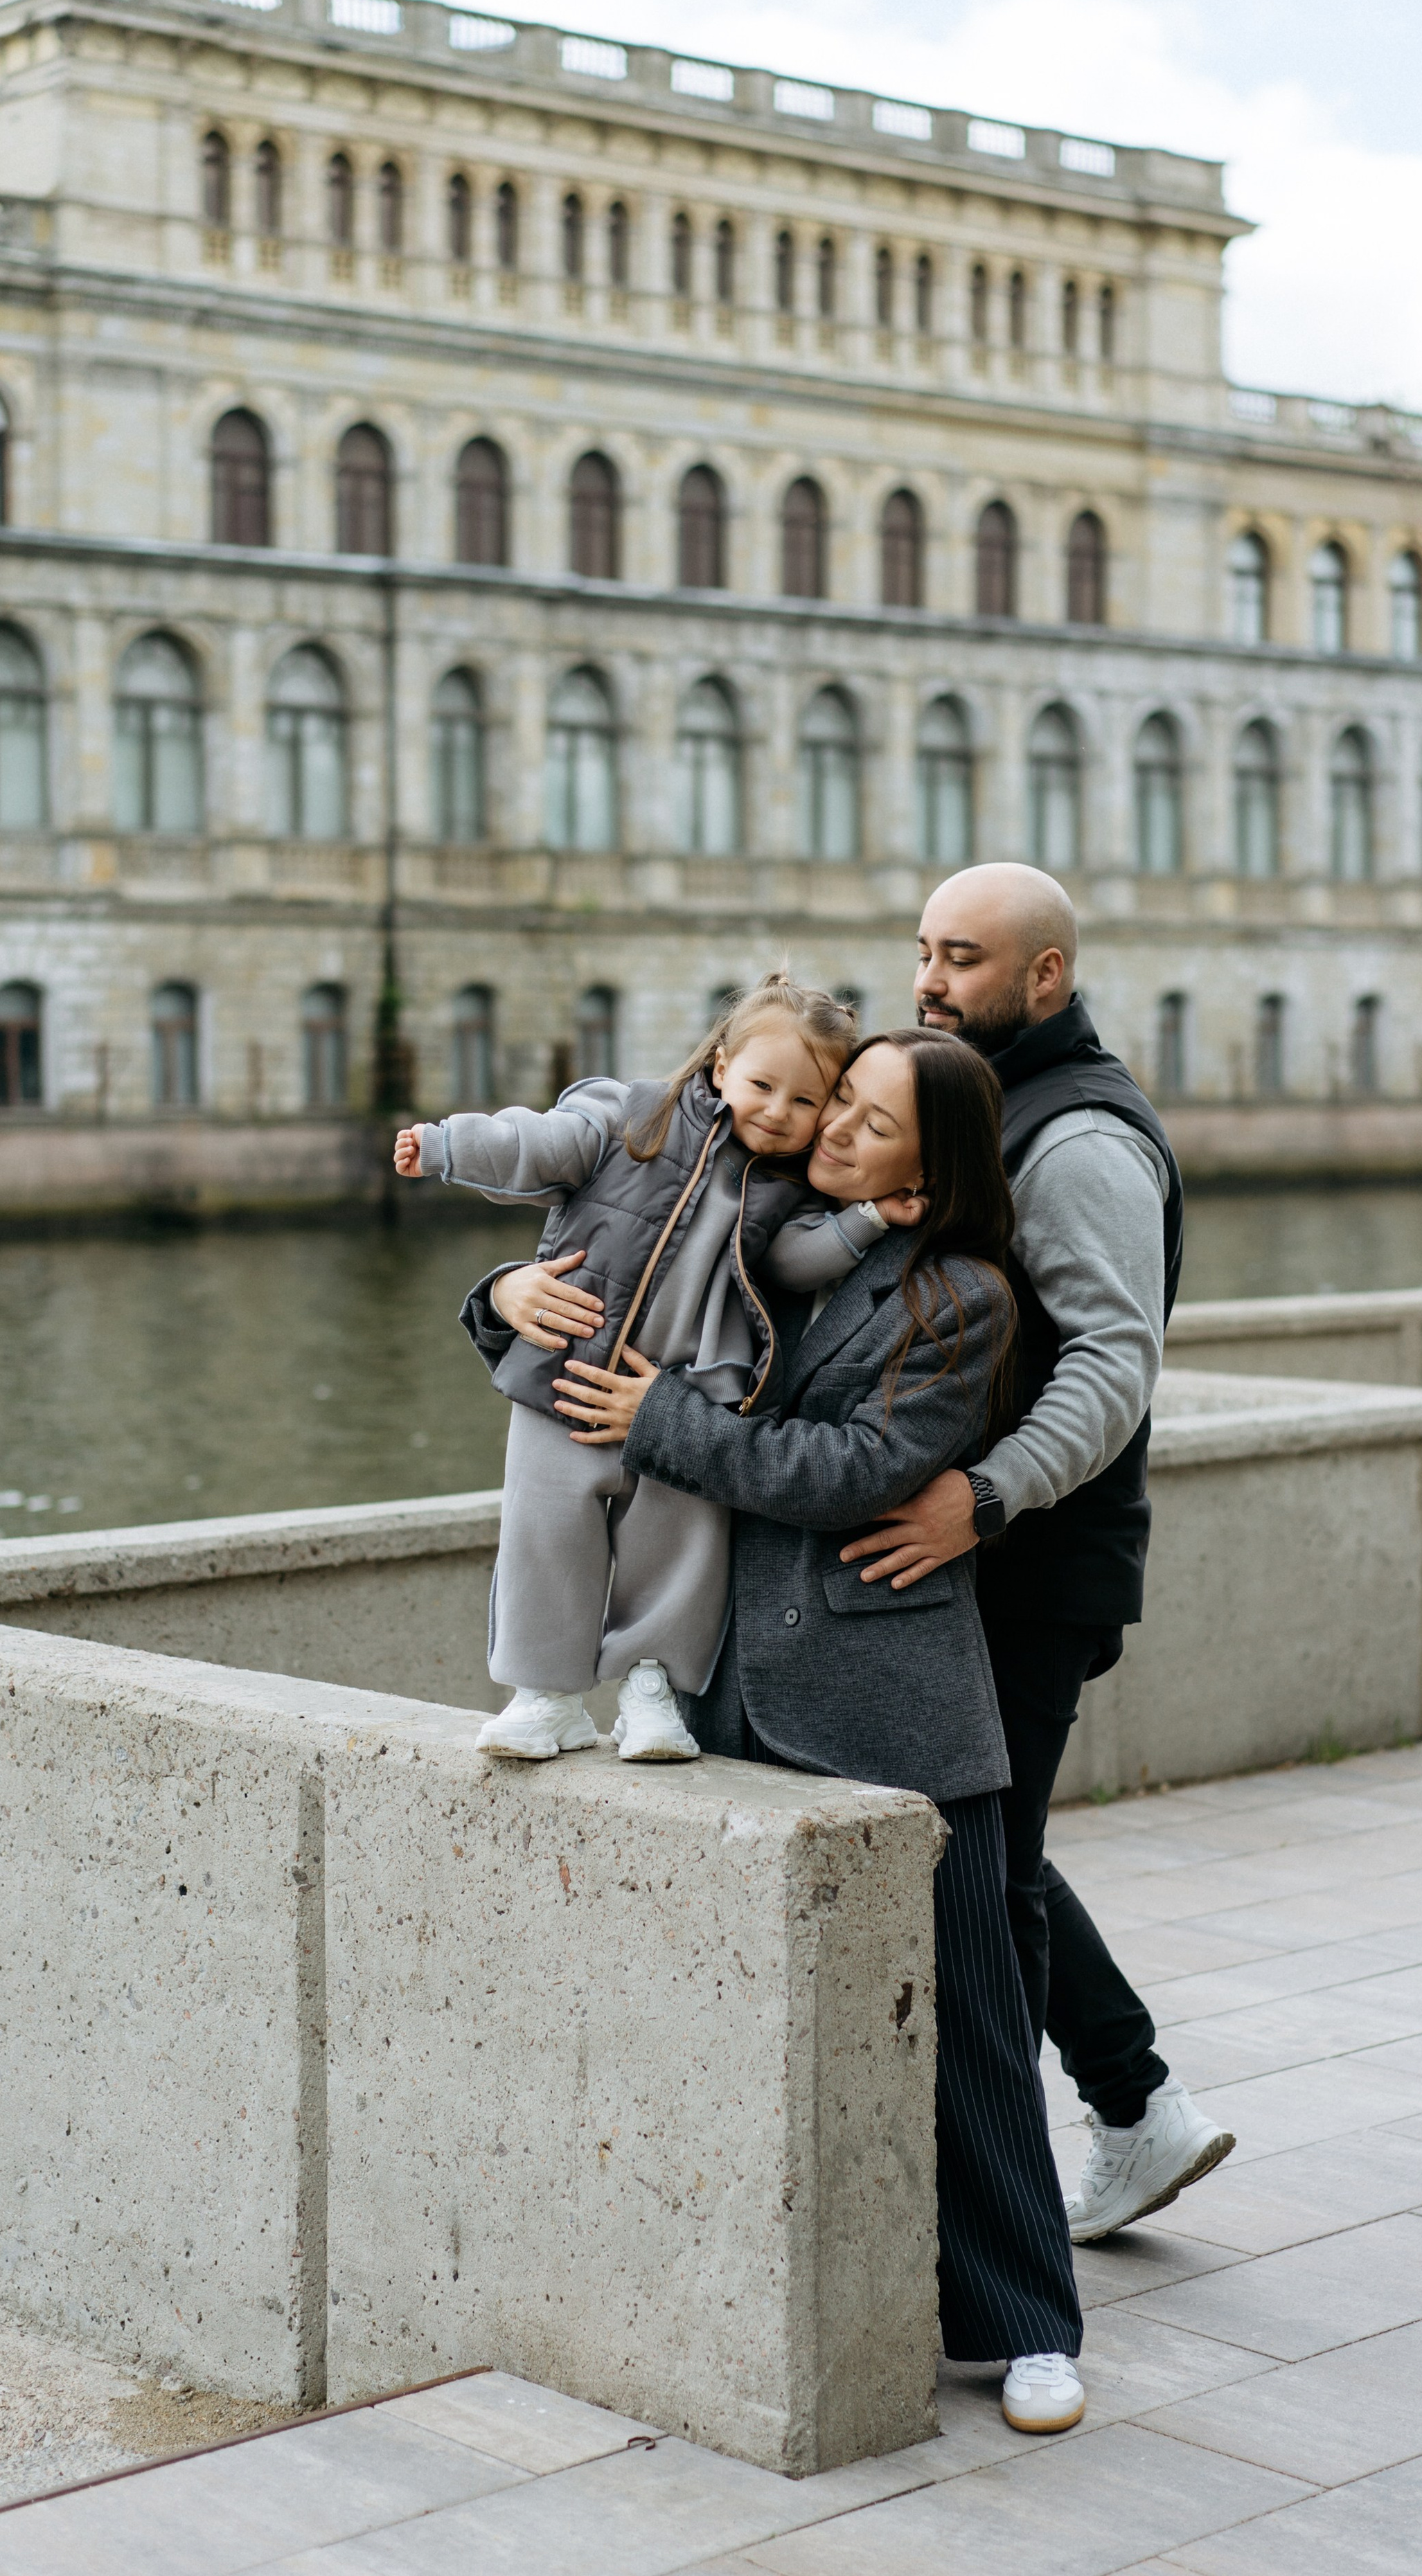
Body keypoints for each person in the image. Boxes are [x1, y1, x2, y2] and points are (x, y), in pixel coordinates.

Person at [550, 1030, 1090, 2438]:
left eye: (869, 1118)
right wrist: (505, 1299)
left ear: (933, 1162)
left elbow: (854, 1471)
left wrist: (662, 1419)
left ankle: (1025, 2324)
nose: (837, 1127)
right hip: (725, 1680)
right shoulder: (766, 1219)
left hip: (893, 1696)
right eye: (837, 1101)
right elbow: (603, 1258)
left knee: (972, 2016)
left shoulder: (964, 1296)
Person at [839, 865, 1236, 2244]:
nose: (928, 981)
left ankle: (1031, 2189)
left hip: (1027, 1561)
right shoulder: (998, 1107)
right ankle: (1135, 2110)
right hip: (1000, 1560)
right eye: (922, 952)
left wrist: (982, 1501)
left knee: (980, 1872)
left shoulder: (1075, 1142)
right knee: (983, 1841)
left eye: (959, 958)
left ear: (1043, 977)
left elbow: (1113, 1366)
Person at [394, 972, 916, 1764]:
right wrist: (445, 1144)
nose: (778, 1112)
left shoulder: (785, 1190)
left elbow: (796, 1261)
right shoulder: (630, 1118)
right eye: (762, 1086)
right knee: (545, 1532)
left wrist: (871, 1219)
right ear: (718, 1069)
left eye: (804, 1103)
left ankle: (653, 1690)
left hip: (689, 1398)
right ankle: (547, 1694)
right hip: (565, 1380)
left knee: (677, 1545)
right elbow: (535, 1143)